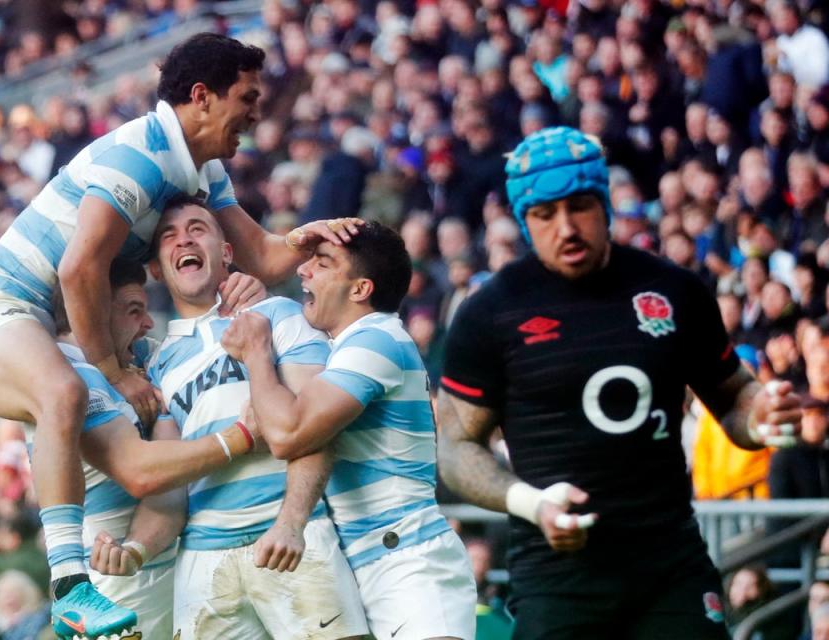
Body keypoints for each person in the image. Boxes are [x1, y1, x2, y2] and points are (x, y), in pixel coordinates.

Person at [0, 32, 359, 639]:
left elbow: (261, 254)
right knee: (63, 394)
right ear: (202, 98)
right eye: (247, 97)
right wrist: (113, 370)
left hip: (45, 331)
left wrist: (311, 237)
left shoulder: (201, 169)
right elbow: (79, 268)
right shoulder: (141, 155)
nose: (257, 113)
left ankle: (92, 582)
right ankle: (72, 587)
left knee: (77, 401)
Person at [435, 126, 802, 640]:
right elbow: (455, 446)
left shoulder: (674, 290)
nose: (566, 227)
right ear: (524, 220)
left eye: (580, 206)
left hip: (670, 566)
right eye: (545, 215)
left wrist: (761, 413)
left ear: (605, 203)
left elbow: (733, 397)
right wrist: (531, 503)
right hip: (556, 579)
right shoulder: (490, 312)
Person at [99, 198, 369, 639]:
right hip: (205, 563)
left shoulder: (280, 314)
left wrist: (292, 522)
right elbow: (170, 488)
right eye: (169, 235)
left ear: (226, 253)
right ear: (155, 270)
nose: (183, 238)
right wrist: (135, 550)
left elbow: (319, 426)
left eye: (197, 229)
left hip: (289, 539)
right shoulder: (159, 365)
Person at [221, 221, 477, 640]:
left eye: (322, 264)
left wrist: (256, 353)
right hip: (369, 558)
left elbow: (289, 434)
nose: (303, 271)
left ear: (360, 289)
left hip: (410, 563)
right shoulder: (351, 346)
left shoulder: (375, 341)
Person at [51, 256, 267, 639]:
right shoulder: (68, 377)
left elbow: (170, 492)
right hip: (112, 588)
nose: (147, 324)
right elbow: (143, 474)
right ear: (93, 312)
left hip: (155, 568)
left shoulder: (132, 364)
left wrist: (250, 298)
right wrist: (241, 438)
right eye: (134, 310)